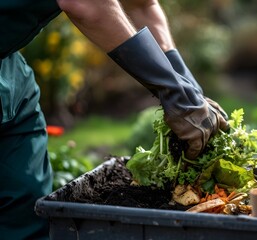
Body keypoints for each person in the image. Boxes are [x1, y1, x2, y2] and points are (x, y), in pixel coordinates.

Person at [0, 0, 229, 239]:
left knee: (24, 211)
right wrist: (172, 90)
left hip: (11, 78)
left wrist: (188, 88)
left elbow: (142, 5)